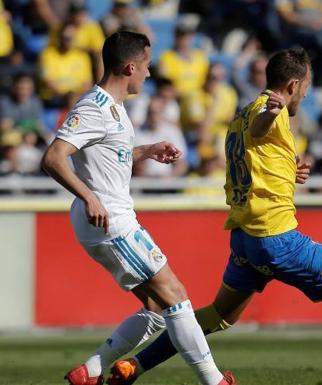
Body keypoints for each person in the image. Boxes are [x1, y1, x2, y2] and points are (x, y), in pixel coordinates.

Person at [107, 47, 322, 385]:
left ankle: (134, 366)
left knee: (219, 315)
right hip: (276, 238)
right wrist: (272, 112)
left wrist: (287, 171)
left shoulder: (238, 116)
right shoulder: (270, 111)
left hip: (245, 240)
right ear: (294, 84)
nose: (307, 95)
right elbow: (260, 127)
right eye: (306, 88)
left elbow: (252, 154)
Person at [40, 31, 235, 385]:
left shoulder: (113, 109)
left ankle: (91, 371)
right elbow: (53, 157)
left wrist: (146, 151)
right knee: (176, 295)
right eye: (146, 65)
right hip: (109, 220)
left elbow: (104, 155)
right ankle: (215, 381)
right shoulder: (94, 107)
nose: (148, 73)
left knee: (159, 309)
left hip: (109, 218)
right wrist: (89, 196)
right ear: (130, 66)